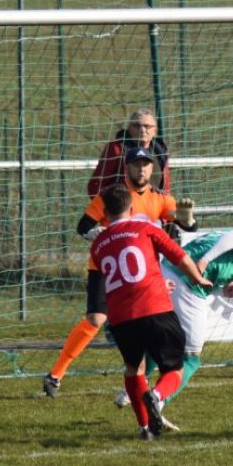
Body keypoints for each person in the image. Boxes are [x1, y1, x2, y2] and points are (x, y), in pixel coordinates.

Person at [43, 146, 196, 397]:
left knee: (145, 323)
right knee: (96, 319)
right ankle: (55, 375)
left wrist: (187, 220)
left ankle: (142, 387)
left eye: (146, 164)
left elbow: (185, 227)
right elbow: (83, 225)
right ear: (127, 167)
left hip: (142, 273)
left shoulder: (160, 199)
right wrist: (92, 233)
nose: (142, 168)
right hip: (106, 267)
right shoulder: (114, 196)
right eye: (137, 164)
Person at [114, 225, 233, 432]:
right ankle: (158, 399)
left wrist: (222, 290)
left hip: (165, 274)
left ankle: (134, 387)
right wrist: (206, 260)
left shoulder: (218, 236)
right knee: (191, 358)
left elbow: (212, 269)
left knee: (159, 338)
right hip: (185, 285)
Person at [89, 184, 211, 439]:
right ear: (132, 208)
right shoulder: (145, 228)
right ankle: (156, 396)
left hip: (121, 318)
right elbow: (180, 257)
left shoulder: (98, 245)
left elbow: (117, 275)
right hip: (155, 308)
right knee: (175, 369)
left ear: (105, 212)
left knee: (134, 369)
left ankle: (145, 428)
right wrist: (198, 279)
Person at [87, 109, 170, 197]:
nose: (142, 130)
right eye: (137, 126)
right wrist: (115, 206)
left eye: (147, 126)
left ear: (155, 130)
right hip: (125, 207)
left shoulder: (160, 152)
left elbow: (166, 188)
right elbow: (95, 186)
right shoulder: (117, 149)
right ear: (129, 129)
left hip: (154, 207)